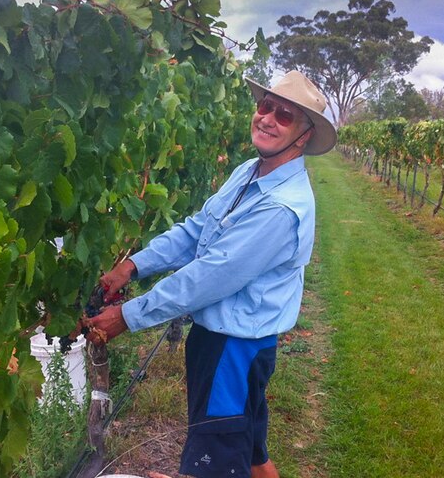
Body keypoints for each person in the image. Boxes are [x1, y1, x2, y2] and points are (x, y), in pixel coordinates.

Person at [86, 70, 337, 478]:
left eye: (285, 115)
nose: (268, 118)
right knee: (248, 450)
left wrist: (128, 316)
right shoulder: (250, 172)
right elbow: (197, 229)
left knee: (216, 461)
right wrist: (133, 265)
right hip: (226, 343)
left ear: (304, 134)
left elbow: (209, 276)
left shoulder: (281, 209)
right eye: (265, 106)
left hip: (234, 349)